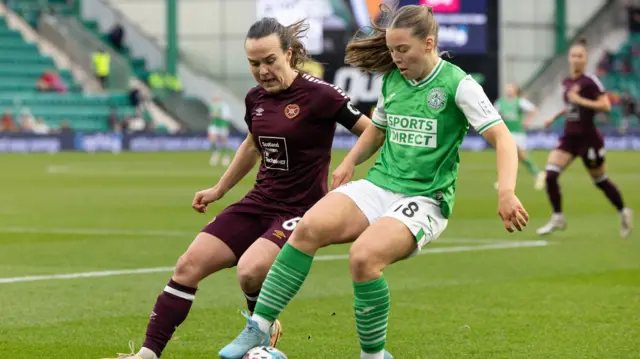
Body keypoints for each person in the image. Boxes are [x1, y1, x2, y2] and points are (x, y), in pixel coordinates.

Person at [219, 5, 528, 359]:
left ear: (428, 44)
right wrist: (349, 161)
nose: (395, 58)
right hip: (381, 184)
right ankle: (258, 327)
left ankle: (373, 355)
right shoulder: (393, 81)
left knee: (363, 259)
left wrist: (506, 192)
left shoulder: (458, 85)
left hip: (426, 197)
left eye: (403, 50)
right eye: (392, 50)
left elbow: (504, 139)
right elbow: (377, 131)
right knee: (307, 228)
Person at [106, 17, 370, 359]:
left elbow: (369, 129)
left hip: (300, 210)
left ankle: (260, 325)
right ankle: (147, 353)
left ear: (289, 55)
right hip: (259, 202)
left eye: (269, 61)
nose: (262, 70)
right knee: (188, 265)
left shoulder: (320, 95)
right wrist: (219, 189)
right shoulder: (255, 99)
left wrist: (348, 163)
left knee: (250, 271)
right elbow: (251, 145)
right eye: (254, 63)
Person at [536, 38, 633, 238]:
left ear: (586, 59)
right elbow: (571, 105)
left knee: (600, 181)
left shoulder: (590, 81)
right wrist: (554, 117)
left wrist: (580, 100)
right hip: (569, 138)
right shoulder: (568, 81)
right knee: (551, 175)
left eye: (580, 56)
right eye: (573, 55)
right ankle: (558, 216)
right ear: (569, 58)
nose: (576, 59)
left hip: (588, 139)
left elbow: (605, 105)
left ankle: (623, 211)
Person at [493, 83, 545, 190]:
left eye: (511, 88)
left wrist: (528, 121)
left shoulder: (520, 101)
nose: (508, 90)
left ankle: (537, 173)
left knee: (521, 155)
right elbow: (493, 114)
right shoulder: (500, 102)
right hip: (506, 132)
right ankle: (505, 181)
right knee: (507, 154)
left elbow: (533, 110)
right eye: (507, 88)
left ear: (515, 91)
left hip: (518, 133)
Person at [208, 95, 232, 166]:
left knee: (223, 141)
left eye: (217, 98)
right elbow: (211, 115)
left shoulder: (224, 106)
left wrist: (218, 115)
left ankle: (226, 156)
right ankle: (215, 154)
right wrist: (211, 115)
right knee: (212, 139)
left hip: (222, 125)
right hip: (214, 125)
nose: (215, 99)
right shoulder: (212, 106)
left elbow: (227, 117)